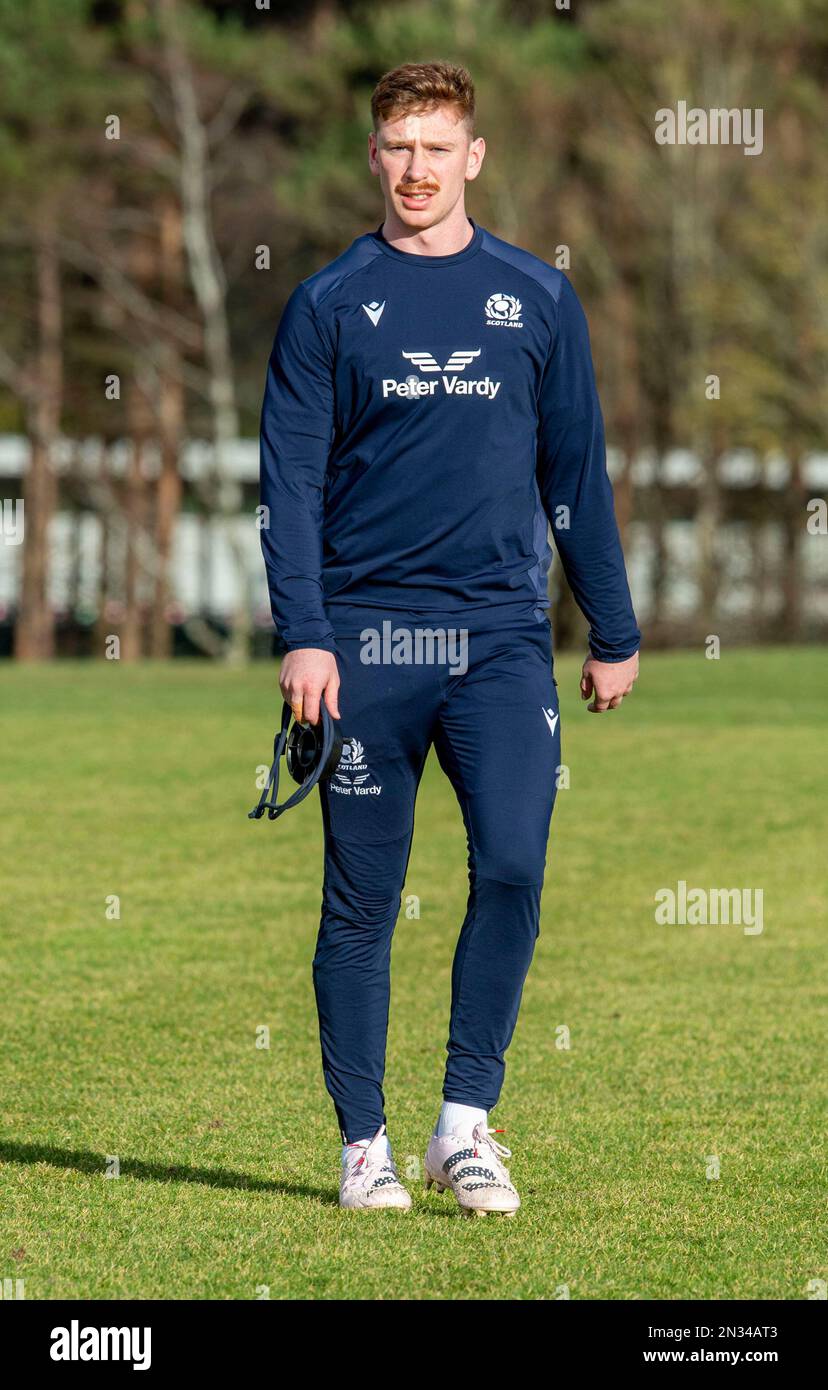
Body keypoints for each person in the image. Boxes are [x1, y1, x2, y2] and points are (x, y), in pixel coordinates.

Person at [259, 61, 640, 1216]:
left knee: (515, 865)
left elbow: (574, 476)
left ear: (474, 156)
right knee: (362, 902)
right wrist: (306, 634)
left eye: (437, 147)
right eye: (397, 147)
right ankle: (363, 1145)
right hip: (365, 646)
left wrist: (612, 627)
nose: (416, 169)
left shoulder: (536, 298)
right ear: (372, 158)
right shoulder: (328, 303)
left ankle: (464, 1125)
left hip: (500, 641)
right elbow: (288, 488)